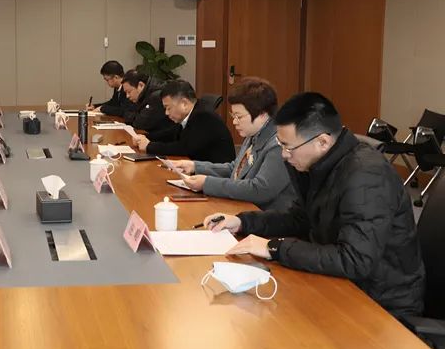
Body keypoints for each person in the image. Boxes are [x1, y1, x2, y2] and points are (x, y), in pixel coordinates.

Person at [203, 92, 425, 318]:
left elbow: (355, 260)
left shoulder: (367, 176)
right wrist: (242, 222)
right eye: (280, 144)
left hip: (380, 301)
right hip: (339, 281)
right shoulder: (315, 163)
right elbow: (300, 219)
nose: (284, 155)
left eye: (288, 147)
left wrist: (274, 248)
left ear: (322, 142)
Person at [170, 78, 297, 211]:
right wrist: (195, 166)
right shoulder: (254, 133)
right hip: (244, 207)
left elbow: (260, 190)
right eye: (233, 116)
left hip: (267, 215)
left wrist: (207, 183)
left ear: (262, 114)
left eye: (239, 117)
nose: (235, 122)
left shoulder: (279, 144)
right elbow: (235, 169)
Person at [136, 80, 235, 163]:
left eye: (168, 108)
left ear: (184, 104)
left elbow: (184, 148)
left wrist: (149, 146)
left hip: (215, 174)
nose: (166, 113)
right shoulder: (192, 112)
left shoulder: (203, 116)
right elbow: (172, 133)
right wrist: (147, 137)